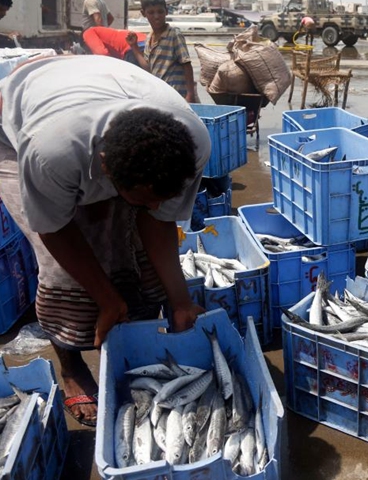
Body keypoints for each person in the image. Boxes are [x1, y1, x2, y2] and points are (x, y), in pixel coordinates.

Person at [0, 55, 211, 427]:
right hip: (17, 133)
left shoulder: (191, 144)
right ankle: (71, 368)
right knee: (63, 277)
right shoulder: (50, 152)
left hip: (101, 96)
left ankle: (138, 347)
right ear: (107, 169)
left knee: (139, 260)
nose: (156, 205)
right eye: (145, 197)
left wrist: (180, 301)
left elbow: (157, 221)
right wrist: (105, 298)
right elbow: (54, 230)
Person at [130, 0, 197, 103]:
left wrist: (190, 95)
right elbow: (149, 68)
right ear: (143, 13)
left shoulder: (174, 35)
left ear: (166, 11)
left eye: (160, 12)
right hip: (161, 95)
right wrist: (134, 47)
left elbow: (186, 64)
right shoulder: (149, 39)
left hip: (176, 95)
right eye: (151, 13)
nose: (156, 16)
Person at [82, 26, 147, 67]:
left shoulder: (87, 33)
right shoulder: (102, 32)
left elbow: (103, 54)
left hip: (132, 46)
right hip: (144, 42)